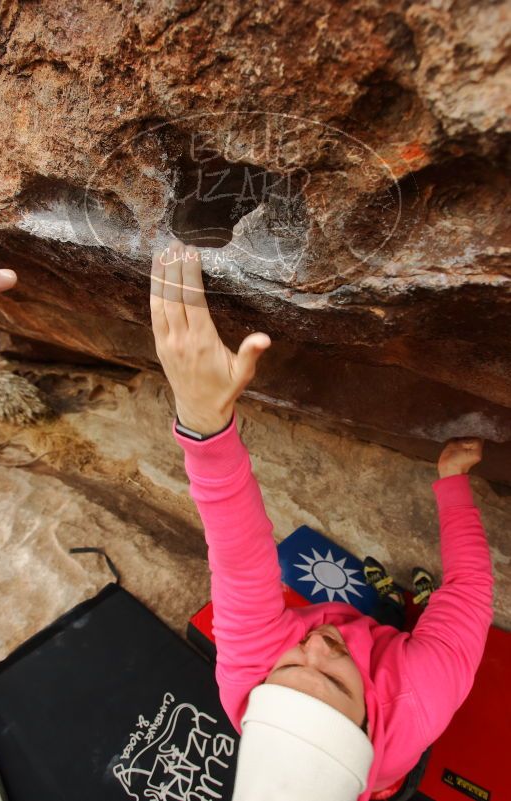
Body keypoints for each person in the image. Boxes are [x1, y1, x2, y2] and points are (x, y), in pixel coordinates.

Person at [150, 239, 493, 801]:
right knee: (423, 629)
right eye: (334, 679)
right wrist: (453, 482)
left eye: (287, 671)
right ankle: (404, 615)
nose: (317, 642)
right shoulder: (420, 698)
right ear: (366, 723)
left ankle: (388, 611)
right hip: (387, 755)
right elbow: (472, 589)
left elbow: (239, 558)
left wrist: (204, 425)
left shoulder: (247, 682)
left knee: (357, 627)